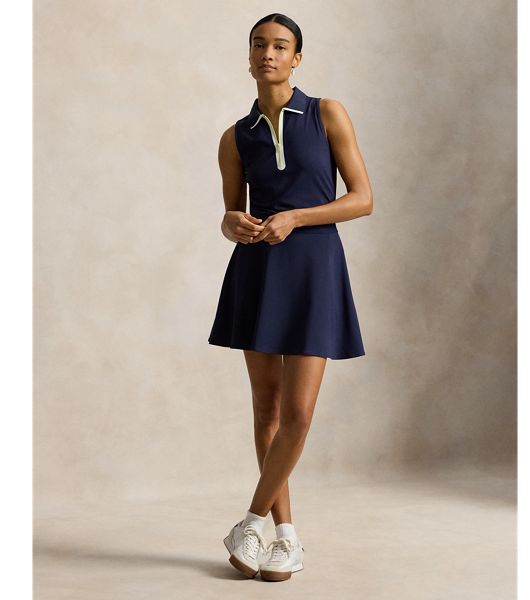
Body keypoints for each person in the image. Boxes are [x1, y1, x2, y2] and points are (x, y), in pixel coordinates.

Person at [208, 13, 373, 581]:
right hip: (258, 270)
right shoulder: (236, 136)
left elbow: (363, 198)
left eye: (280, 46)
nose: (268, 54)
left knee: (298, 415)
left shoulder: (327, 114)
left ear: (297, 58)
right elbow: (231, 213)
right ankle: (285, 536)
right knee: (268, 409)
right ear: (249, 55)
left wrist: (296, 217)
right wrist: (233, 223)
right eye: (260, 45)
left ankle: (251, 521)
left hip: (314, 268)